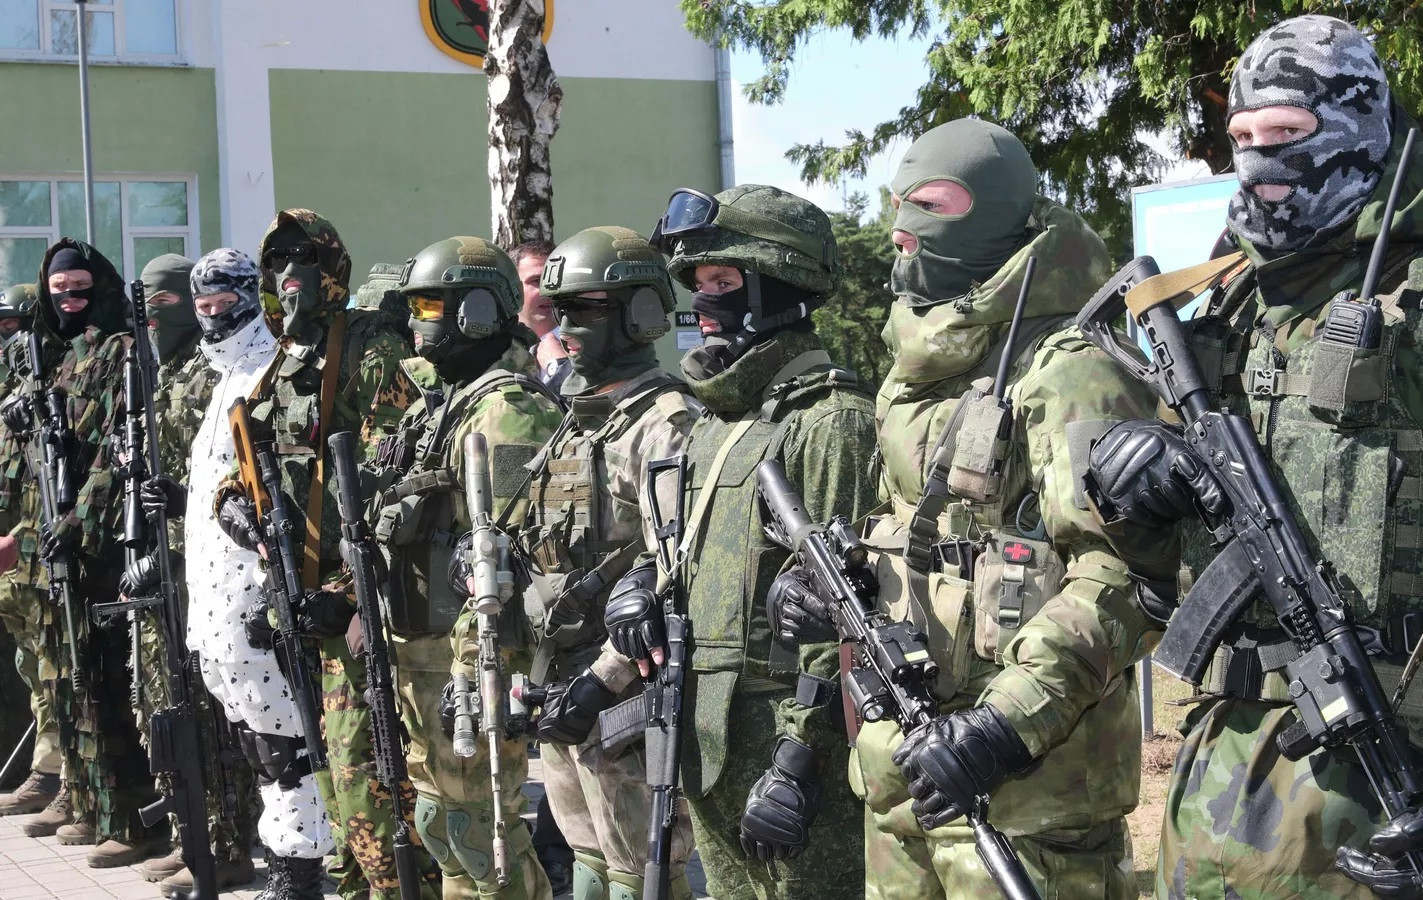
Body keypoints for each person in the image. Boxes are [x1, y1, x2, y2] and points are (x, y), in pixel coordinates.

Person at [1083, 16, 1423, 898]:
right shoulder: (1228, 302)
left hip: (1381, 781)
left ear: (1356, 127)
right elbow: (1157, 579)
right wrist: (1140, 488)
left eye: (1285, 130)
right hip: (1218, 778)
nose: (1259, 158)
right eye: (1240, 135)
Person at [790, 118, 1172, 898]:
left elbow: (1125, 579)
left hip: (1027, 802)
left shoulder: (1069, 371)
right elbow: (912, 530)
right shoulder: (919, 366)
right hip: (902, 781)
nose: (903, 228)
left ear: (994, 214)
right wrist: (825, 586)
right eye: (898, 204)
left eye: (932, 204)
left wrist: (1002, 726)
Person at [604, 184, 877, 900]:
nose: (702, 302)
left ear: (777, 286)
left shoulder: (830, 421)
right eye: (697, 282)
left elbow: (844, 613)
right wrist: (642, 584)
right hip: (705, 738)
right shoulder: (718, 423)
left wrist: (800, 758)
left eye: (722, 282)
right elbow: (684, 549)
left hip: (790, 750)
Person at [220, 209, 432, 900]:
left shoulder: (369, 348)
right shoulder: (284, 360)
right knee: (332, 782)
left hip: (364, 600)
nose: (290, 273)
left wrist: (343, 592)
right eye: (277, 260)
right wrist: (233, 506)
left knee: (370, 778)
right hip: (299, 603)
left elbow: (399, 480)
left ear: (333, 266)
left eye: (304, 258)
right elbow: (250, 463)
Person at [371, 235, 564, 899]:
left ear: (476, 311)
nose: (417, 320)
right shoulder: (443, 405)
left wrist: (478, 670)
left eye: (430, 305)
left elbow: (509, 562)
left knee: (481, 833)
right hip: (418, 650)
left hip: (468, 660)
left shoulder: (508, 410)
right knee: (439, 824)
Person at [513, 226, 700, 900]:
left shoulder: (666, 422)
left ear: (640, 313)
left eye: (586, 309)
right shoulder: (577, 417)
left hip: (623, 694)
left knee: (637, 876)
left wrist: (600, 683)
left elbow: (675, 575)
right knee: (588, 867)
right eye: (560, 309)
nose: (566, 326)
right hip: (562, 683)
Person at [120, 253, 263, 894]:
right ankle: (195, 838)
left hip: (217, 566)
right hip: (181, 563)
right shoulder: (180, 371)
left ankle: (226, 845)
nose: (207, 316)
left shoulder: (230, 370)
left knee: (216, 718)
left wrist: (178, 527)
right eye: (199, 305)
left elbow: (231, 476)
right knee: (166, 705)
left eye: (215, 303)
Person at [22, 239, 165, 866]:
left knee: (105, 681)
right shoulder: (60, 358)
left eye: (81, 288)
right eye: (60, 292)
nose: (71, 300)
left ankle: (133, 820)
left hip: (104, 545)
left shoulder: (123, 352)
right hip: (60, 542)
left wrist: (80, 518)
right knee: (70, 685)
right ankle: (88, 804)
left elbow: (117, 446)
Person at [0, 282, 64, 822]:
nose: (7, 339)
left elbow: (49, 486)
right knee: (29, 666)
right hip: (11, 564)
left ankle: (54, 775)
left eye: (13, 327)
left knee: (51, 667)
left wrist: (18, 541)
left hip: (34, 555)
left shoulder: (47, 386)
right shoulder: (10, 390)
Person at [512, 240, 571, 391]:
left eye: (556, 279)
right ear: (513, 288)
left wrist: (560, 367)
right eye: (537, 281)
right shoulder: (496, 349)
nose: (548, 290)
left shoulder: (589, 345)